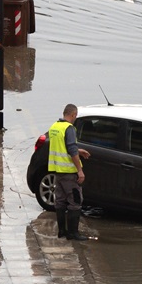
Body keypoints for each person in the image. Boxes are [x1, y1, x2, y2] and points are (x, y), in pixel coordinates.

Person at [46, 103, 90, 240]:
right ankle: (73, 233)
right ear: (73, 115)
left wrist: (78, 150)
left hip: (57, 172)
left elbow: (62, 147)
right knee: (75, 201)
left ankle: (62, 231)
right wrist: (80, 171)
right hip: (69, 172)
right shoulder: (69, 128)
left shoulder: (54, 127)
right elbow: (70, 150)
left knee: (60, 201)